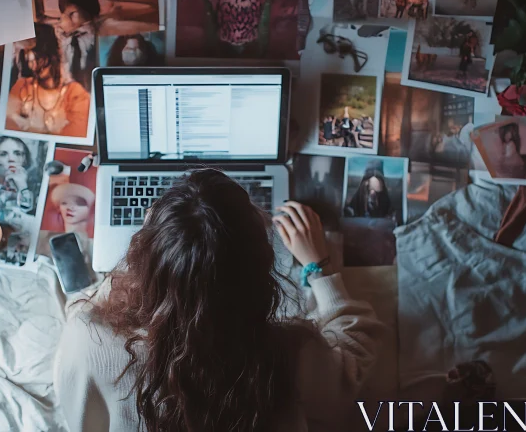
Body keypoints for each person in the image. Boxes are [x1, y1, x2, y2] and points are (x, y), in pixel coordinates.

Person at [54, 169, 384, 431]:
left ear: (144, 256)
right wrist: (319, 268)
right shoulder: (286, 355)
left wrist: (159, 246)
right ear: (257, 274)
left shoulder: (87, 335)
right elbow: (352, 361)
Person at [6, 23, 91, 138]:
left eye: (39, 59)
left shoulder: (76, 93)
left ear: (53, 56)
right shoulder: (22, 87)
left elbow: (77, 136)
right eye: (29, 60)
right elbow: (8, 126)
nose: (34, 66)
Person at [57, 0, 100, 92]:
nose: (65, 18)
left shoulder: (94, 35)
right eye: (64, 14)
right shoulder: (63, 38)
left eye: (72, 13)